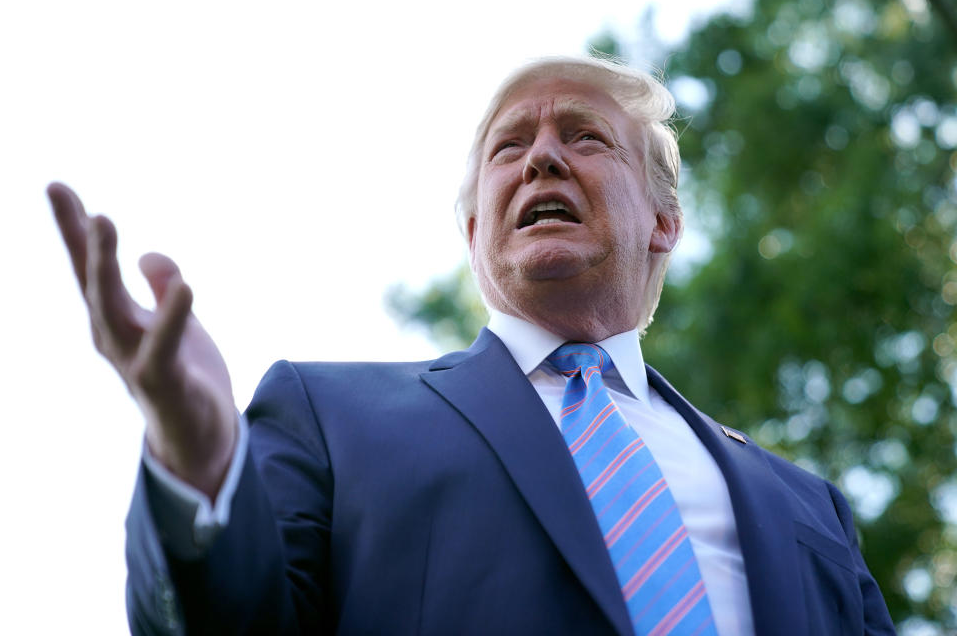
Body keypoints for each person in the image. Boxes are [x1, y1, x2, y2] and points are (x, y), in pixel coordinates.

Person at [49, 56, 896, 635]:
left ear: (666, 221)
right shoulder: (328, 416)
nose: (542, 160)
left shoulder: (808, 505)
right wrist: (194, 459)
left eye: (585, 135)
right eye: (509, 148)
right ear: (473, 229)